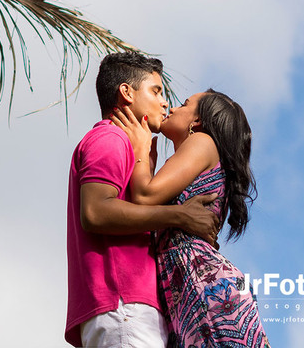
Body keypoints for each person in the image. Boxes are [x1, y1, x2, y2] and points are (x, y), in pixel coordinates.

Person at [66, 52, 222, 348]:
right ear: (127, 92)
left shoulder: (126, 147)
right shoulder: (110, 138)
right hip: (124, 304)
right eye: (156, 91)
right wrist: (180, 215)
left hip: (128, 308)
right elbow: (96, 212)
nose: (165, 102)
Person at [113, 90, 270, 348]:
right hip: (190, 293)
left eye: (184, 105)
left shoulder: (203, 142)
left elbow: (144, 196)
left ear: (197, 121)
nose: (172, 108)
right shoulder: (199, 159)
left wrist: (140, 146)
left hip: (205, 290)